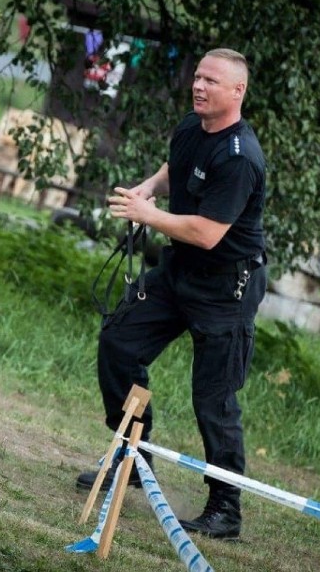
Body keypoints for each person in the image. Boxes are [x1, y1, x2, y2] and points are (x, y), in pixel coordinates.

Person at [75, 48, 267, 540]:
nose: (199, 86)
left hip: (228, 289)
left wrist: (147, 217)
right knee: (119, 343)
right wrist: (148, 190)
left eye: (212, 81)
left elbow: (207, 233)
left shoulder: (240, 158)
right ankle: (134, 458)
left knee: (214, 399)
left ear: (237, 92)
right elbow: (173, 170)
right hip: (178, 272)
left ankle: (225, 510)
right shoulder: (190, 127)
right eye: (198, 77)